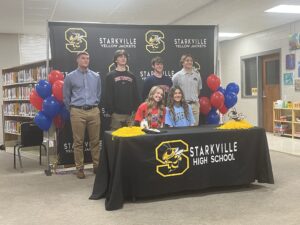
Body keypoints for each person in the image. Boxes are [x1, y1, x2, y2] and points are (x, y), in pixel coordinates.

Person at [63, 51, 101, 179]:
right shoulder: (70, 77)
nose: (86, 60)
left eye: (88, 58)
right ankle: (79, 168)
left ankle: (97, 165)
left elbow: (98, 93)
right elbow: (66, 96)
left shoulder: (96, 76)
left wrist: (94, 105)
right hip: (77, 111)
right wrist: (73, 109)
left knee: (95, 141)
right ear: (77, 60)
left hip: (93, 110)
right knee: (78, 142)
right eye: (83, 58)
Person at [105, 49, 140, 130]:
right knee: (116, 139)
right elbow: (108, 95)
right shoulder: (110, 76)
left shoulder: (132, 76)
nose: (123, 58)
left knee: (130, 139)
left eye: (125, 56)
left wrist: (135, 111)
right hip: (116, 114)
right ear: (116, 60)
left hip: (130, 114)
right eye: (120, 56)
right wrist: (111, 112)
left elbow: (135, 94)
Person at [172, 53, 202, 125]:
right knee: (183, 128)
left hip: (195, 106)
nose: (190, 62)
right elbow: (174, 92)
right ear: (182, 63)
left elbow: (198, 90)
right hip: (182, 106)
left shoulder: (197, 75)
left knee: (194, 129)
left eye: (191, 60)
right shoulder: (176, 76)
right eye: (187, 60)